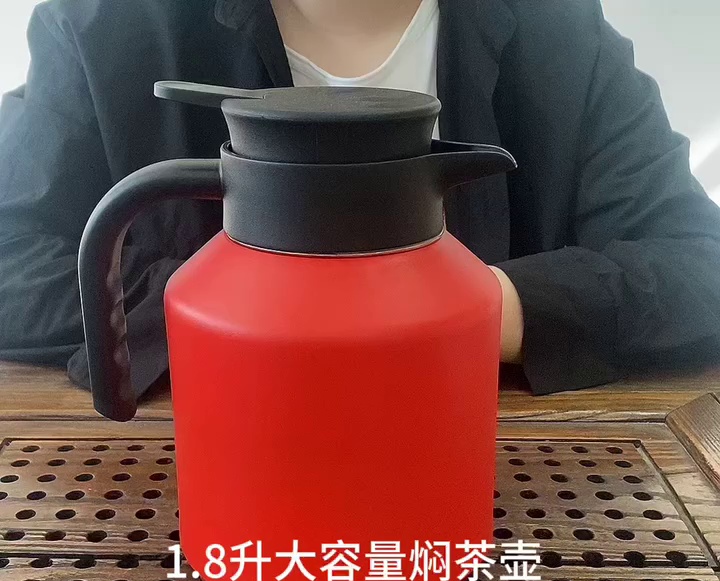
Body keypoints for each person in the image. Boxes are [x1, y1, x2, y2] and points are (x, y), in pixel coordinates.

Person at [0, 0, 719, 399]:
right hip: (186, 481)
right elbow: (14, 262)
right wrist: (243, 322)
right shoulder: (105, 26)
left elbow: (698, 266)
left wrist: (473, 313)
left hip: (513, 481)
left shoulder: (563, 35)